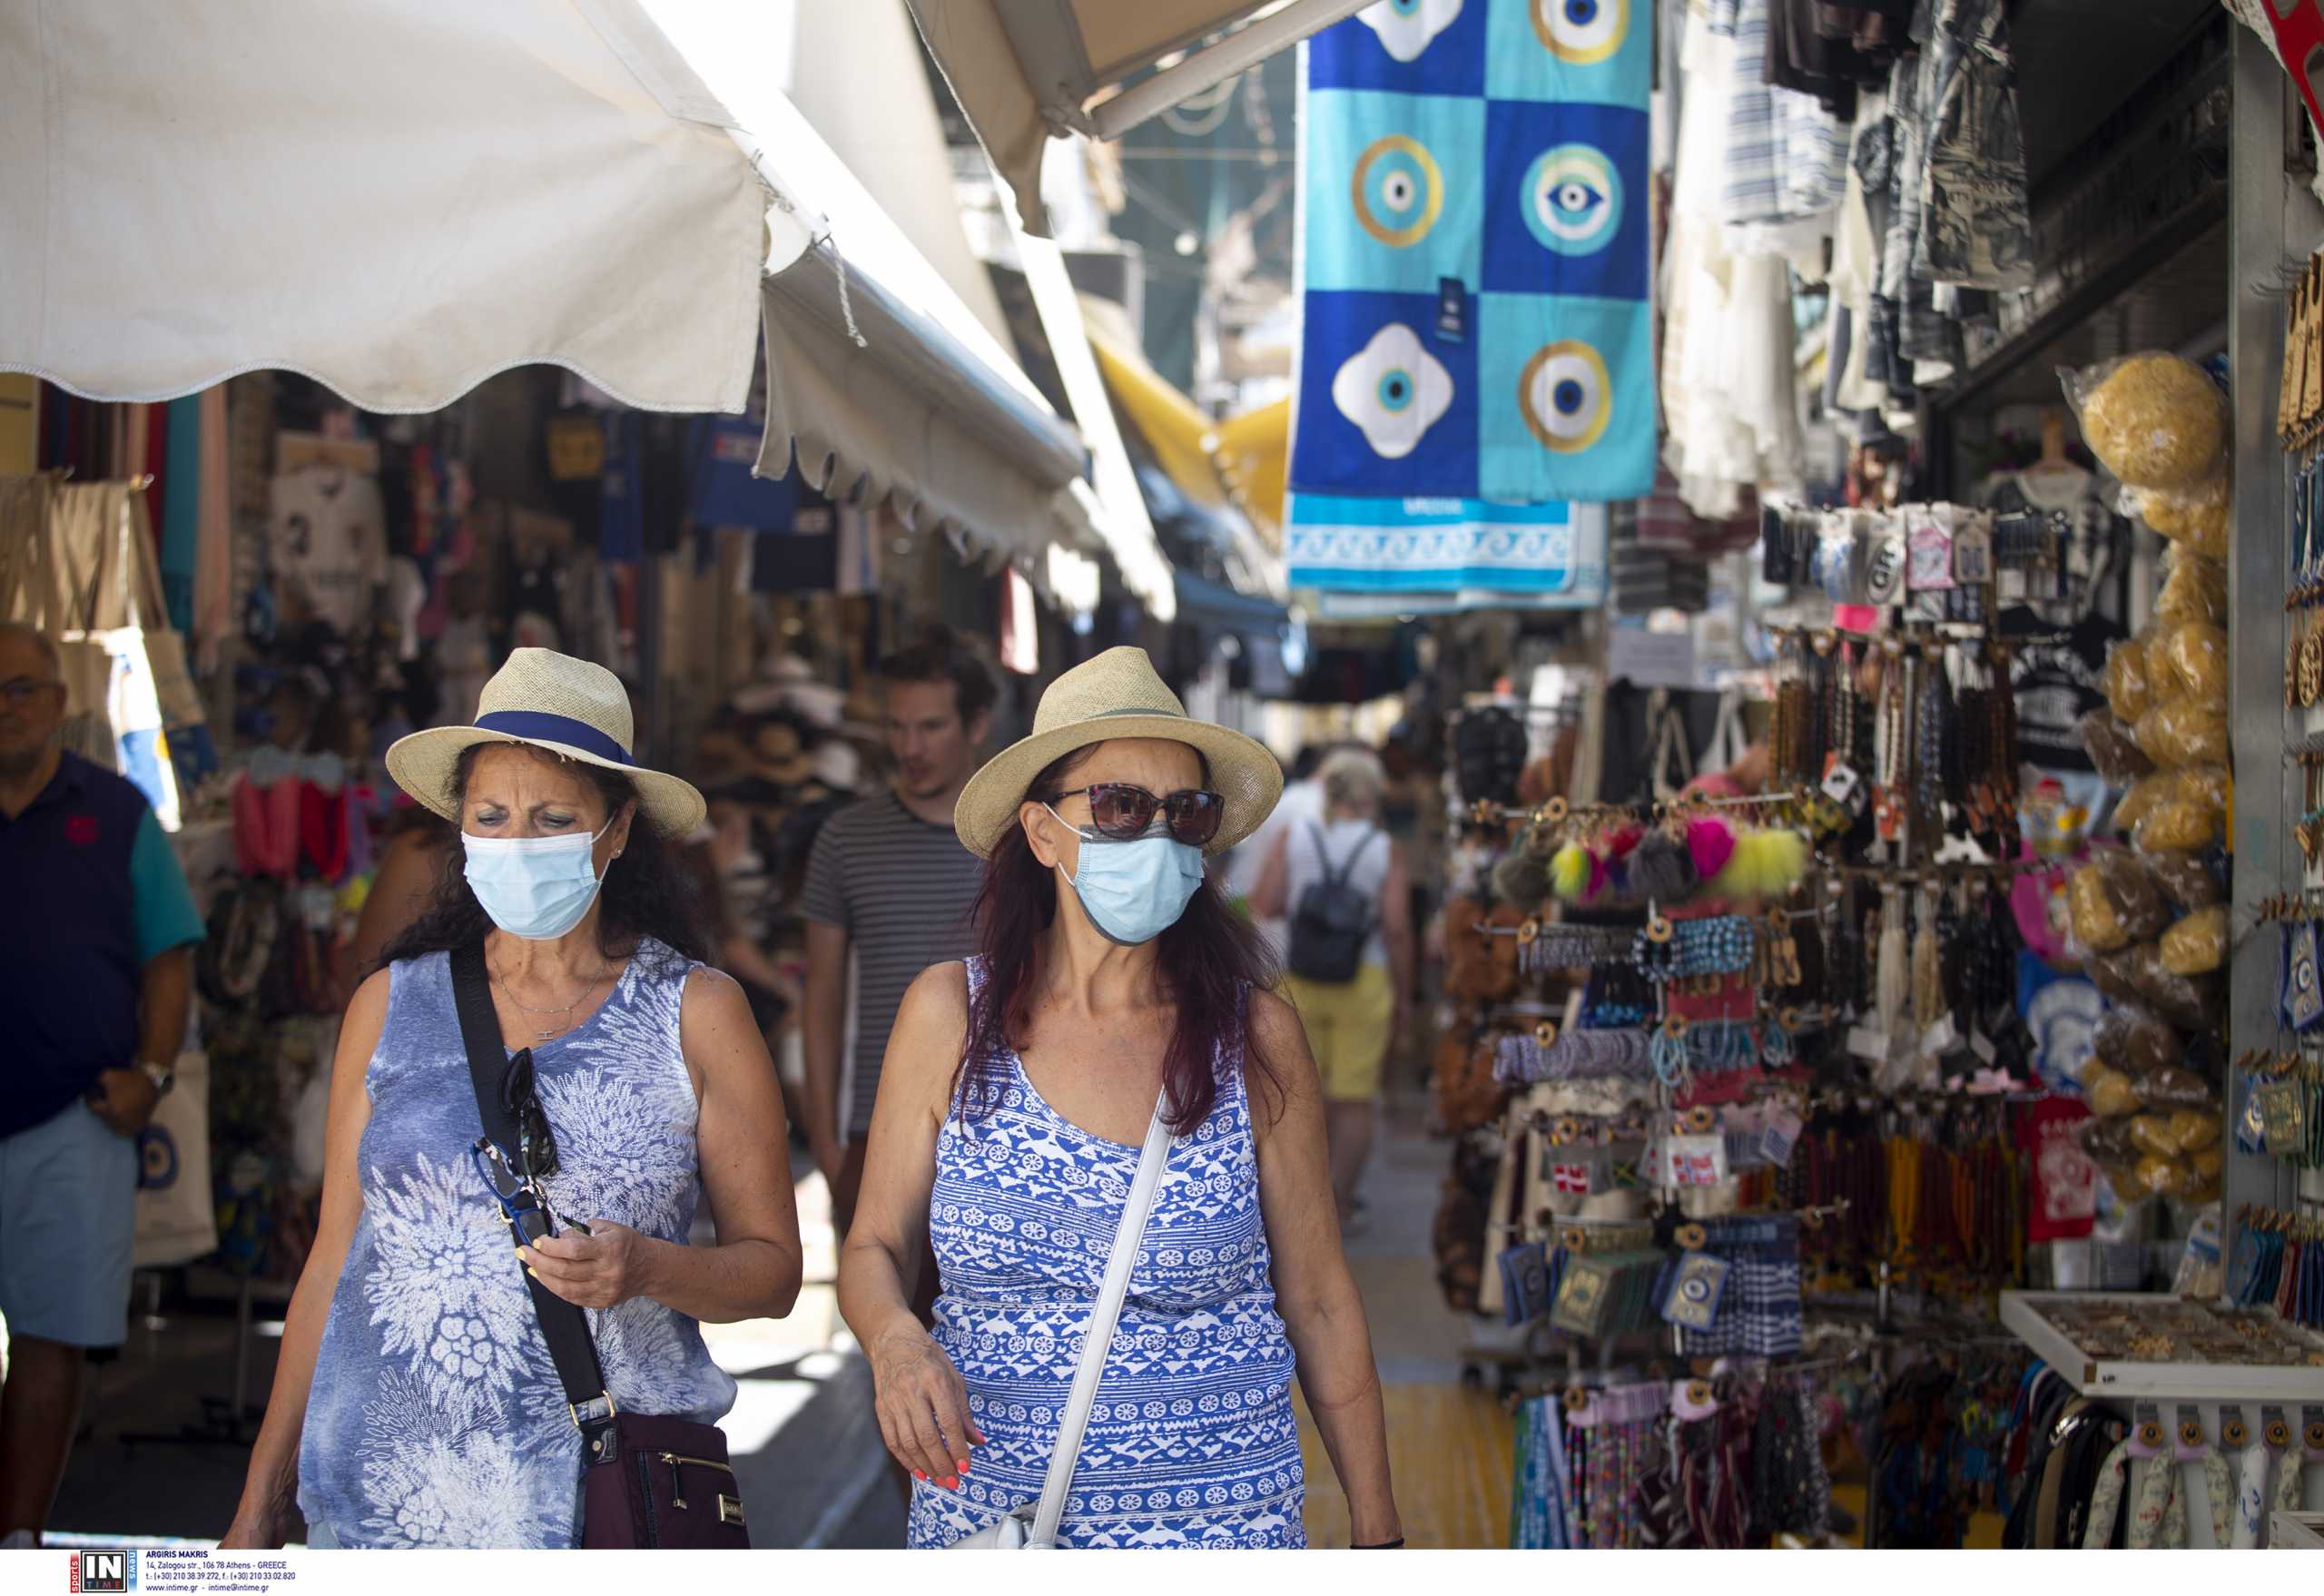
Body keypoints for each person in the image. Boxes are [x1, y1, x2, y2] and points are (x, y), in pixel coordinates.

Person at [222, 648, 802, 1550]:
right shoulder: (390, 1005)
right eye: (490, 817)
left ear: (615, 830)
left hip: (587, 1505)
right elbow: (334, 1260)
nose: (517, 844)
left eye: (553, 818)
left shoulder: (697, 1012)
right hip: (383, 1501)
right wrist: (261, 1502)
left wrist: (649, 1268)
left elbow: (771, 1271)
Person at [838, 647, 1401, 1550]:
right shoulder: (948, 1016)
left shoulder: (1253, 1036)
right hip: (996, 1527)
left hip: (1225, 1528)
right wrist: (894, 1342)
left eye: (1186, 813)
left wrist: (1378, 1537)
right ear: (1043, 831)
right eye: (1118, 804)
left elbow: (1322, 1300)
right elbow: (873, 1244)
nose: (1155, 835)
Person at [0, 622, 204, 1548]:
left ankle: (19, 1542)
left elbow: (168, 957)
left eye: (24, 688)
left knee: (53, 1338)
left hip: (75, 1115)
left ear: (60, 703)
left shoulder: (115, 812)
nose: (7, 706)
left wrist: (152, 1076)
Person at [801, 631, 994, 1250]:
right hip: (875, 1132)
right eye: (897, 726)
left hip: (1002, 1136)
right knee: (886, 1341)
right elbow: (822, 999)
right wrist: (828, 1145)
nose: (911, 747)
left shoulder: (1022, 845)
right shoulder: (845, 840)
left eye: (931, 727)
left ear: (977, 726)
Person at [1249, 747, 1413, 1228]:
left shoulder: (1293, 836)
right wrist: (1404, 998)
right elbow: (1397, 927)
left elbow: (1265, 902)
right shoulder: (1385, 849)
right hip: (1364, 979)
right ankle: (1340, 1203)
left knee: (1301, 1095)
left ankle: (1302, 1202)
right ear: (1372, 796)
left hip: (1299, 978)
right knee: (1355, 1100)